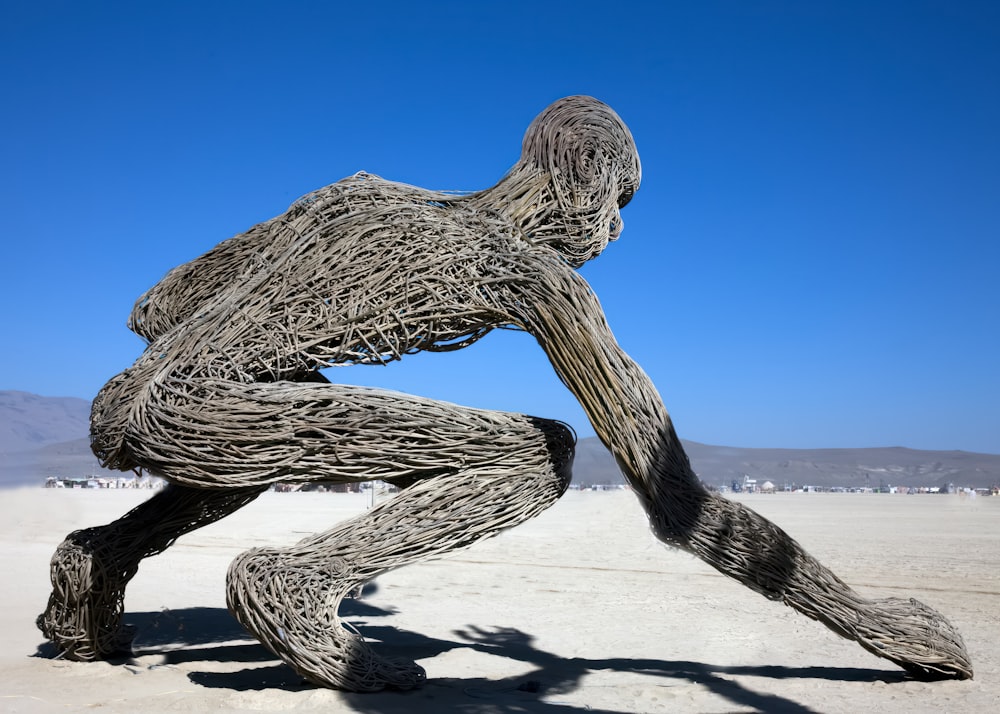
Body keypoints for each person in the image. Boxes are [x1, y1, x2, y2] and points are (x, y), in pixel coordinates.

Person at [38, 96, 972, 691]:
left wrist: (267, 352)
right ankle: (299, 580)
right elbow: (679, 502)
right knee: (542, 453)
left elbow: (156, 304)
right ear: (589, 184)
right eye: (621, 208)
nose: (611, 234)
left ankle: (97, 562)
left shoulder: (354, 201)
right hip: (211, 411)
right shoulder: (531, 274)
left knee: (266, 429)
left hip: (128, 400)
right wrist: (867, 618)